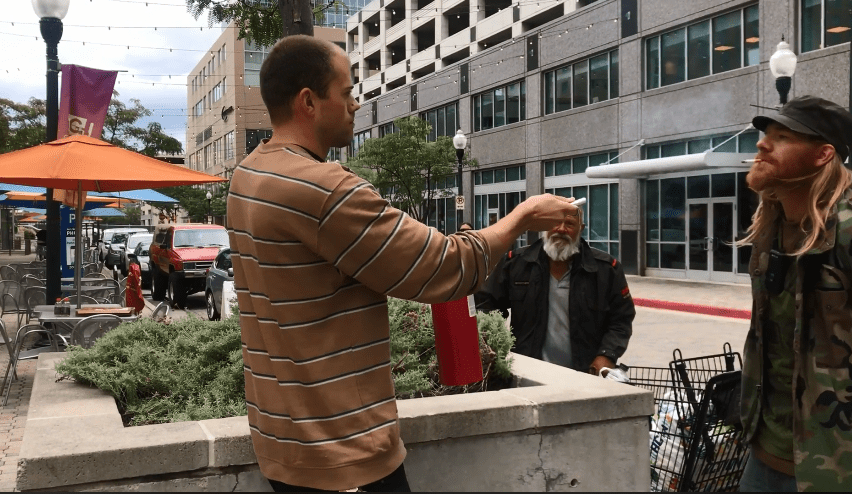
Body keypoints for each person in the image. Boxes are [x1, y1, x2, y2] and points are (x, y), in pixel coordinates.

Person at [225, 35, 580, 493]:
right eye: (348, 92)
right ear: (308, 102)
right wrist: (522, 218)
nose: (356, 104)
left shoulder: (247, 179)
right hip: (342, 455)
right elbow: (444, 267)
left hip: (282, 447)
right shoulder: (325, 189)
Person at [738, 95, 852, 491]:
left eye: (782, 136)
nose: (762, 144)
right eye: (766, 134)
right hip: (763, 451)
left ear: (823, 154)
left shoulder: (848, 230)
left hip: (835, 466)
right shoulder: (769, 229)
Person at [474, 205, 635, 375]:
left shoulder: (606, 270)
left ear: (581, 229)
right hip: (528, 372)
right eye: (555, 223)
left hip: (584, 375)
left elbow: (621, 319)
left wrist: (607, 355)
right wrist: (495, 344)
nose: (561, 229)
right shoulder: (516, 264)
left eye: (570, 224)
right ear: (544, 227)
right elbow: (485, 303)